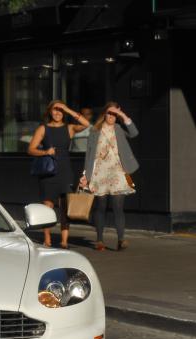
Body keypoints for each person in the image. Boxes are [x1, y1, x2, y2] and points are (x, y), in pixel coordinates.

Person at [28, 100, 91, 248]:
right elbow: (30, 149)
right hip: (49, 172)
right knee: (47, 207)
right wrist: (45, 152)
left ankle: (64, 241)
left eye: (60, 110)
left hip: (65, 171)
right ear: (50, 111)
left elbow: (86, 124)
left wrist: (67, 109)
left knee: (65, 208)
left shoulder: (69, 128)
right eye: (55, 110)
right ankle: (47, 239)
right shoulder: (43, 129)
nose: (57, 113)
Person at [79, 102, 139, 251]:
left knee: (118, 207)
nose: (112, 116)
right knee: (101, 206)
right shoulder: (95, 130)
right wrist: (85, 175)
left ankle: (121, 239)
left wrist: (122, 115)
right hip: (99, 173)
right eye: (109, 113)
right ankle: (99, 240)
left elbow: (134, 133)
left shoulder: (119, 129)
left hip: (118, 172)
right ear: (104, 114)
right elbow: (89, 155)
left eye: (114, 114)